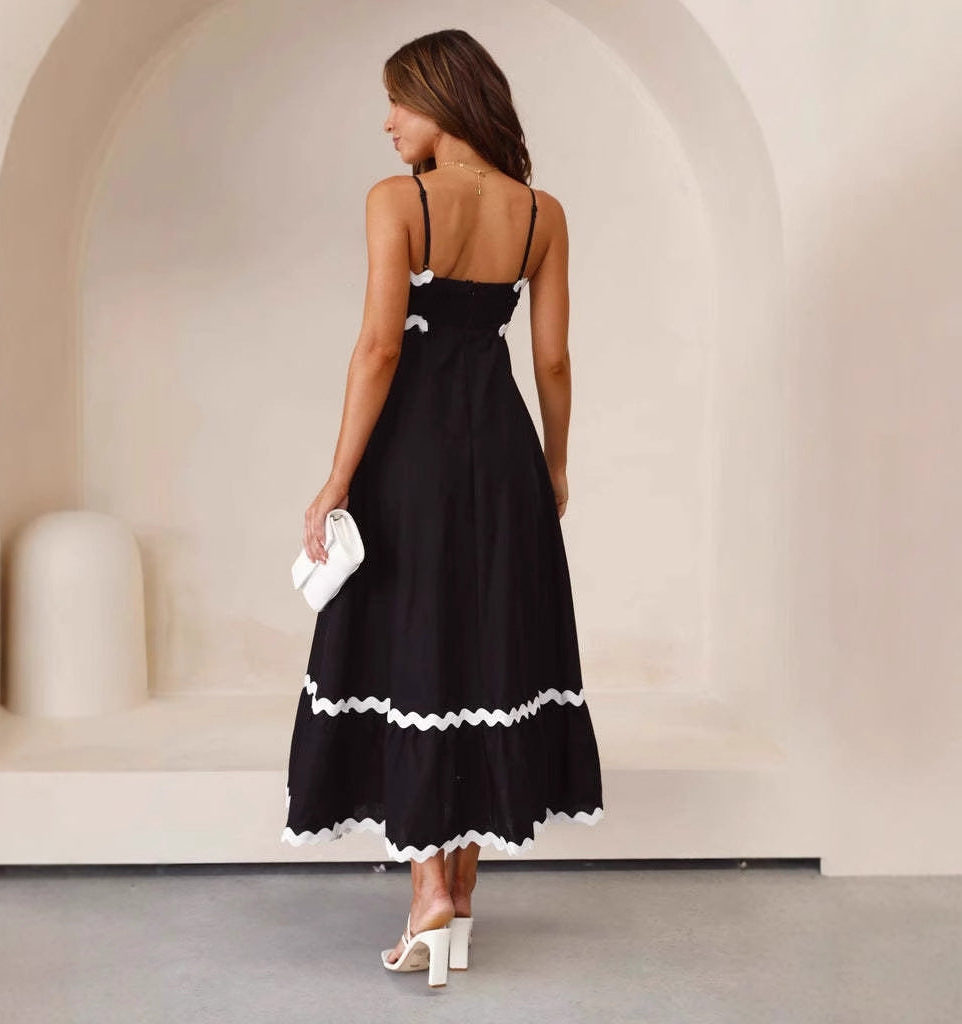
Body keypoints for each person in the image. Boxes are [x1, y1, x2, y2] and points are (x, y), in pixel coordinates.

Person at [281, 28, 603, 985]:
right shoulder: (542, 214)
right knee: (485, 648)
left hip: (411, 458)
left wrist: (337, 477)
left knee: (416, 647)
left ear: (443, 100)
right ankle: (457, 894)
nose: (388, 123)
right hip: (502, 454)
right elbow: (552, 359)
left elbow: (379, 348)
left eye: (399, 101)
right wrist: (554, 465)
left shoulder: (398, 202)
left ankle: (427, 895)